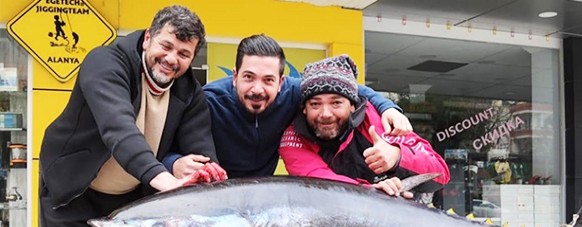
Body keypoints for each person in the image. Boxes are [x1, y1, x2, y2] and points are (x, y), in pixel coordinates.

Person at [38, 6, 226, 227]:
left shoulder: (189, 92)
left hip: (128, 202)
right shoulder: (105, 62)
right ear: (148, 37)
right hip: (71, 192)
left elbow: (202, 151)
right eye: (166, 46)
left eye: (184, 54)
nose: (172, 59)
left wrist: (197, 170)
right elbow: (118, 130)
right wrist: (167, 181)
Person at [164, 34, 413, 179]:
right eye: (249, 77)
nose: (257, 88)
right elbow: (164, 149)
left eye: (268, 80)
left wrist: (387, 106)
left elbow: (347, 88)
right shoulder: (208, 101)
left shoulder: (296, 92)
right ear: (235, 75)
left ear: (282, 82)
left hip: (264, 197)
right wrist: (174, 163)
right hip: (216, 197)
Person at [279, 54, 450, 197]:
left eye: (336, 103)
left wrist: (397, 157)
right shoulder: (292, 138)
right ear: (304, 109)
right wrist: (374, 192)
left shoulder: (378, 120)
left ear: (353, 105)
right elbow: (320, 181)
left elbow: (441, 173)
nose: (325, 113)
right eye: (315, 104)